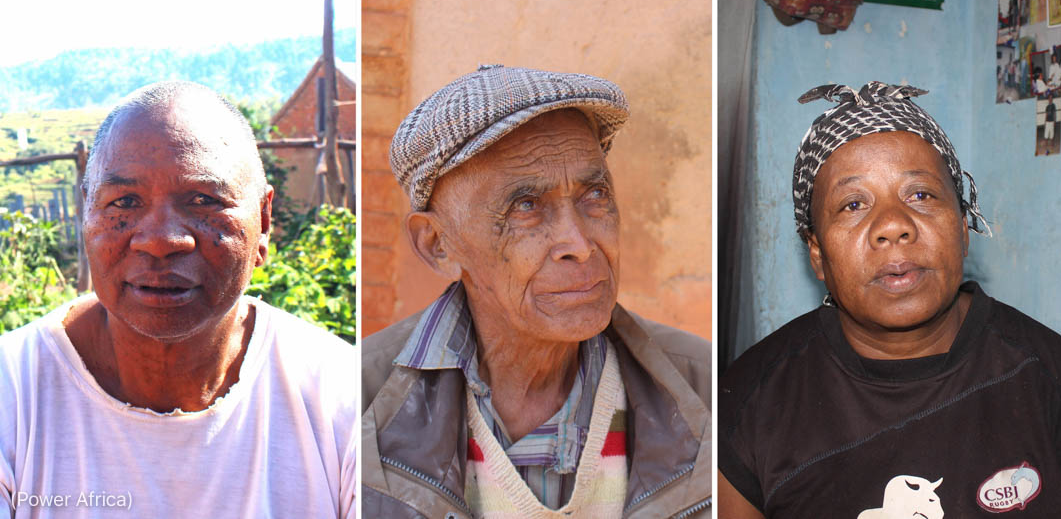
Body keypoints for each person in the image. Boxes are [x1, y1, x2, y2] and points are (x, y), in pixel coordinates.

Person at [362, 65, 712, 518]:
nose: (580, 245)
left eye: (595, 195)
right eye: (526, 206)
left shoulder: (704, 391)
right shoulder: (358, 406)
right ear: (438, 244)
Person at [0, 81, 356, 518]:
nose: (161, 241)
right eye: (124, 201)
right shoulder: (13, 398)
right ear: (85, 213)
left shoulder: (345, 402)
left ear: (263, 223)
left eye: (203, 200)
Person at [720, 81, 1061, 517]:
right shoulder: (747, 403)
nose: (892, 225)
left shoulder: (1048, 374)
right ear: (817, 254)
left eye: (920, 195)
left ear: (962, 227)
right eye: (852, 204)